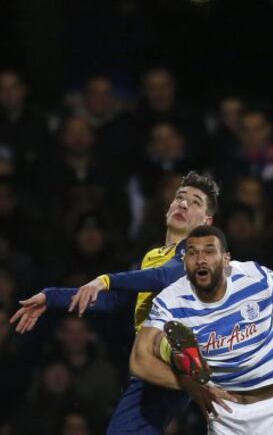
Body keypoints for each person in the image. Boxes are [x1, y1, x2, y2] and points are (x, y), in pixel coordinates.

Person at [10, 171, 228, 434]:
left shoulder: (194, 253)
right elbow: (112, 301)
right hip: (150, 364)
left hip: (165, 360)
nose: (183, 203)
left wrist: (106, 279)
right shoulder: (152, 256)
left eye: (194, 202)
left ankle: (183, 356)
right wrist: (51, 296)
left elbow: (165, 276)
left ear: (207, 220)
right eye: (179, 198)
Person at [130, 225, 273, 434]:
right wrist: (189, 385)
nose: (201, 259)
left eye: (209, 251)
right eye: (192, 253)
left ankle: (177, 356)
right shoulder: (171, 300)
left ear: (226, 260)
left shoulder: (252, 277)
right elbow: (139, 361)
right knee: (156, 341)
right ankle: (175, 355)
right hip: (225, 413)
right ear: (185, 261)